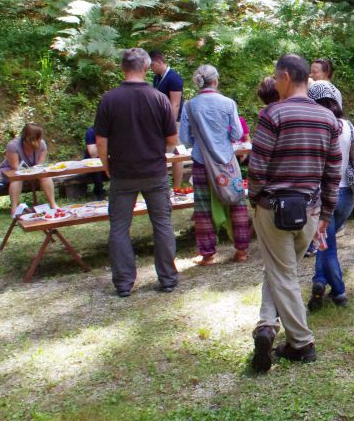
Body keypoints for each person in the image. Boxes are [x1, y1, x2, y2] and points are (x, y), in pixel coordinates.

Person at [249, 55, 342, 371]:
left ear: (286, 77)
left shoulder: (272, 114)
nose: (275, 84)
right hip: (311, 212)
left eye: (276, 79)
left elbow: (257, 166)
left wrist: (254, 198)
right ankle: (266, 325)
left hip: (273, 210)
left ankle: (301, 343)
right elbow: (333, 173)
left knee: (282, 273)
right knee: (280, 271)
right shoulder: (329, 119)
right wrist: (327, 213)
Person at [94, 48, 180, 298]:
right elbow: (172, 139)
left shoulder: (109, 99)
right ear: (145, 67)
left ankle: (123, 283)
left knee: (119, 227)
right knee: (162, 224)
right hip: (154, 171)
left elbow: (101, 141)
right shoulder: (159, 98)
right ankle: (167, 279)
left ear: (123, 68)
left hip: (122, 172)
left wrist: (106, 166)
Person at [179, 65, 250, 266]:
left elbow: (185, 138)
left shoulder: (190, 106)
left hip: (201, 161)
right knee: (236, 202)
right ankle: (242, 250)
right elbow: (237, 134)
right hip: (226, 161)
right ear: (216, 81)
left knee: (203, 208)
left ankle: (208, 254)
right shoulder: (228, 103)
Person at [306, 84, 354, 310]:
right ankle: (320, 280)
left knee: (328, 246)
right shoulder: (347, 126)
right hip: (346, 194)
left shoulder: (314, 127)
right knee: (325, 242)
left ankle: (339, 291)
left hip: (324, 195)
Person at [0, 123, 59, 216]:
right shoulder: (13, 145)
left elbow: (40, 165)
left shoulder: (42, 144)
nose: (39, 140)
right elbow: (15, 167)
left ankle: (53, 204)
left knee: (45, 176)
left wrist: (34, 172)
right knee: (17, 178)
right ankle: (14, 208)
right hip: (12, 171)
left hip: (33, 171)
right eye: (36, 137)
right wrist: (29, 173)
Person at [149, 50, 185, 190]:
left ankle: (177, 186)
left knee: (177, 153)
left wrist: (169, 124)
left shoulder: (174, 78)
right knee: (161, 152)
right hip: (160, 121)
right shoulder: (157, 78)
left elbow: (174, 104)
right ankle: (161, 185)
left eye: (152, 65)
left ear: (159, 62)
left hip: (174, 121)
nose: (151, 69)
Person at [84, 126, 106, 200]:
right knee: (97, 170)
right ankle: (99, 192)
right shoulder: (91, 132)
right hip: (92, 162)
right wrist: (103, 142)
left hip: (107, 161)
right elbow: (93, 154)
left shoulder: (114, 130)